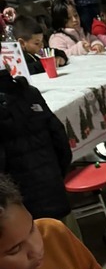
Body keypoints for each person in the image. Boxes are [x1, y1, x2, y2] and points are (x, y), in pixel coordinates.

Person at [0, 68, 79, 235]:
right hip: (54, 191)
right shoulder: (29, 92)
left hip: (20, 213)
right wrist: (55, 175)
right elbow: (61, 142)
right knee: (74, 252)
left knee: (40, 256)